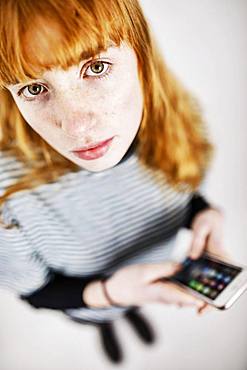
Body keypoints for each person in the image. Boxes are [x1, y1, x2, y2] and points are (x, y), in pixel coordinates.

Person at [0, 0, 229, 364]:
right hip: (89, 304)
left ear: (140, 53)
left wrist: (202, 213)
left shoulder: (182, 121)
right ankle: (108, 324)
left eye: (96, 67)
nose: (77, 127)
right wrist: (109, 294)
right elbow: (37, 291)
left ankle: (130, 310)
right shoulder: (6, 198)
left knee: (131, 305)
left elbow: (170, 190)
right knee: (103, 318)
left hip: (148, 275)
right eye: (32, 88)